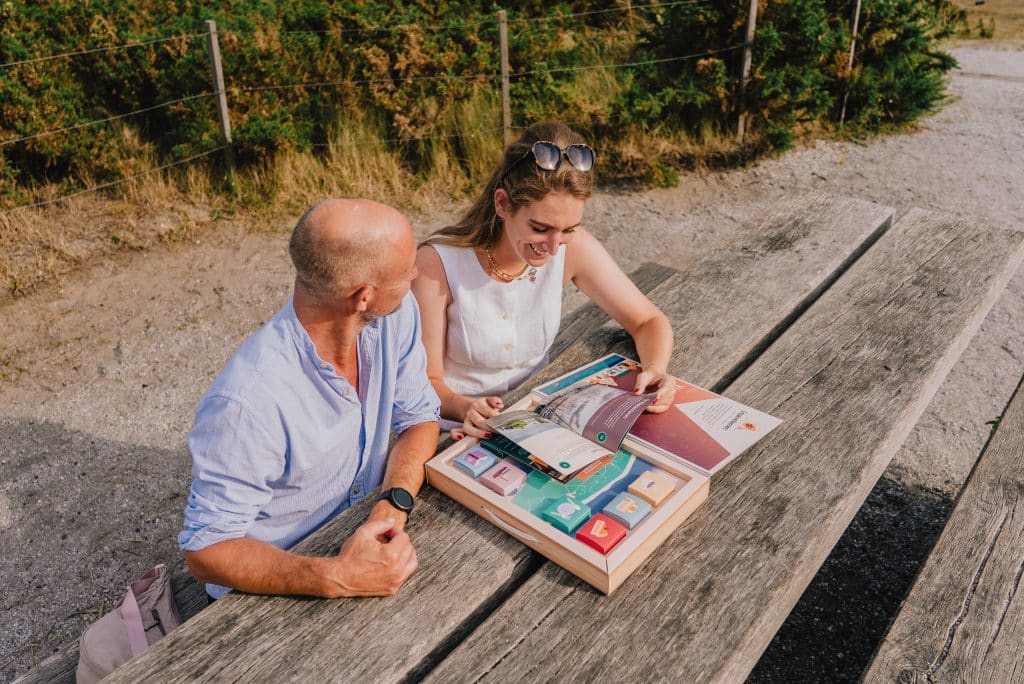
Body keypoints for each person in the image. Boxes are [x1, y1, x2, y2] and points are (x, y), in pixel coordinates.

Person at [179, 198, 441, 600]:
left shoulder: (395, 318)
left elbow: (420, 418)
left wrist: (392, 503)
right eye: (407, 271)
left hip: (363, 533)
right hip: (273, 582)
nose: (417, 274)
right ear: (363, 297)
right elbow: (207, 550)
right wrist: (337, 576)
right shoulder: (247, 402)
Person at [412, 120, 675, 438]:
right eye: (540, 228)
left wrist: (655, 369)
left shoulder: (573, 248)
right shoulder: (436, 263)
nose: (553, 248)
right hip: (457, 431)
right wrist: (464, 406)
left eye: (568, 229)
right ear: (502, 204)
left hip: (543, 422)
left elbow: (647, 320)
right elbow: (425, 383)